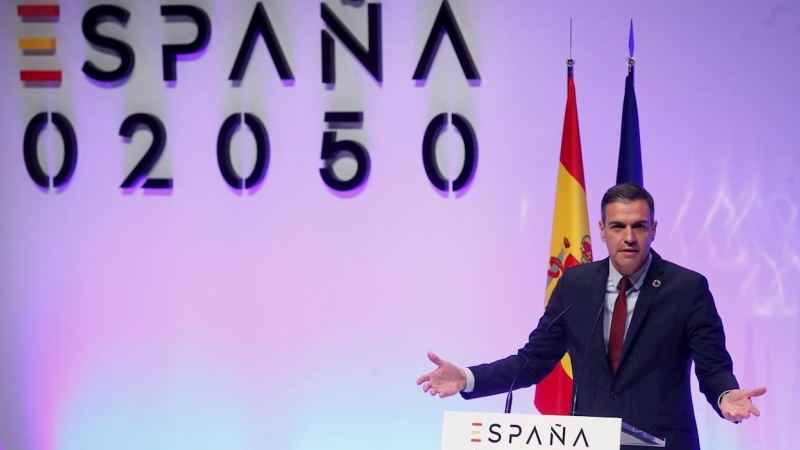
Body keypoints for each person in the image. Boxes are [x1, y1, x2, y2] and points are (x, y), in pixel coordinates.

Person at [416, 183, 766, 450]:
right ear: (601, 230)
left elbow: (712, 366)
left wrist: (724, 397)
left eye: (639, 226)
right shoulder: (576, 284)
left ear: (654, 229)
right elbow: (533, 361)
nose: (628, 238)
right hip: (589, 442)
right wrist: (466, 378)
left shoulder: (687, 288)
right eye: (617, 227)